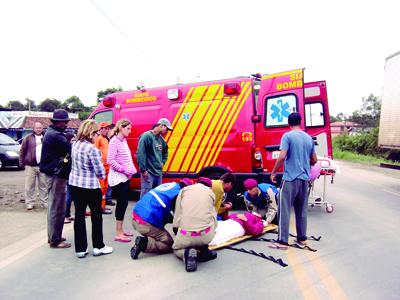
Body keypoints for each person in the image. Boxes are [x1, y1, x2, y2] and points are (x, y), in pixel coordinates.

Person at [270, 112, 318, 249]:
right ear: (300, 122)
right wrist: (304, 163)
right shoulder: (309, 138)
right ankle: (302, 239)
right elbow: (314, 160)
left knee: (284, 209)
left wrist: (273, 172)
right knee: (301, 210)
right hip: (304, 179)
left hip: (290, 178)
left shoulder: (287, 136)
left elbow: (282, 156)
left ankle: (282, 241)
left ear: (288, 123)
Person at [69, 120, 113, 258]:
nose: (97, 136)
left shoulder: (75, 144)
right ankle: (98, 246)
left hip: (75, 184)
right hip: (91, 186)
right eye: (96, 133)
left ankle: (81, 249)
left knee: (79, 216)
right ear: (91, 133)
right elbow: (100, 172)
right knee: (96, 216)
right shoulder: (93, 150)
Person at [130, 178, 193, 260]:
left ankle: (149, 238)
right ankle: (144, 244)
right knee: (169, 244)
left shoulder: (170, 185)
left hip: (136, 215)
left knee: (161, 228)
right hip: (146, 222)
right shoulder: (178, 195)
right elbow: (177, 218)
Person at [40, 109, 72, 248]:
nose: (65, 124)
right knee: (57, 208)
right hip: (56, 175)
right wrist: (69, 139)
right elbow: (69, 148)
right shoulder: (56, 136)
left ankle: (53, 236)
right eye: (63, 122)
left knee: (55, 207)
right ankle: (55, 240)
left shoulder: (53, 133)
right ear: (57, 123)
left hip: (54, 174)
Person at [172, 177, 217, 272]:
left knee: (175, 249)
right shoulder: (211, 193)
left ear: (196, 182)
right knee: (212, 215)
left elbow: (178, 212)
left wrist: (176, 229)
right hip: (205, 235)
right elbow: (212, 215)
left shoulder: (184, 190)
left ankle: (186, 253)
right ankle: (204, 251)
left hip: (186, 235)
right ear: (210, 187)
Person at [107, 119, 137, 243]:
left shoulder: (123, 141)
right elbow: (110, 160)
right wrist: (124, 170)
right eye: (128, 128)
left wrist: (131, 170)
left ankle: (121, 230)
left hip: (124, 177)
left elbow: (127, 158)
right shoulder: (114, 141)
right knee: (121, 204)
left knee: (123, 204)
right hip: (118, 179)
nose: (130, 131)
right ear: (120, 127)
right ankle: (118, 233)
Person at [137, 118, 173, 197]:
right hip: (148, 172)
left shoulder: (161, 140)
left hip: (158, 173)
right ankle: (144, 209)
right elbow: (141, 153)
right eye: (166, 129)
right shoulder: (146, 136)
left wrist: (162, 163)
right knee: (146, 195)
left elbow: (165, 152)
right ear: (161, 125)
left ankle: (153, 210)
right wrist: (143, 170)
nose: (167, 132)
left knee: (156, 196)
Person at [19, 122, 48, 210]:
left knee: (44, 186)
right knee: (29, 186)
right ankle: (30, 203)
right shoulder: (27, 138)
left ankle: (45, 202)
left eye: (40, 128)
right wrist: (21, 162)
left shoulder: (46, 137)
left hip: (43, 166)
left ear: (42, 128)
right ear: (33, 128)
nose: (39, 129)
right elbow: (22, 150)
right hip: (30, 166)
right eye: (37, 128)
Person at [94, 121, 112, 215]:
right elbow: (95, 152)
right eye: (105, 128)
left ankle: (103, 206)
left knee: (105, 188)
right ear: (100, 129)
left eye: (107, 128)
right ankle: (99, 206)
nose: (107, 130)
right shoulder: (99, 139)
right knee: (101, 188)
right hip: (102, 167)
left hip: (107, 167)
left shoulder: (105, 139)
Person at [64, 132, 76, 224]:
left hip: (72, 175)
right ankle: (65, 215)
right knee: (68, 196)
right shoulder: (68, 150)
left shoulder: (71, 149)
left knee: (71, 196)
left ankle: (67, 214)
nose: (74, 142)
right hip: (69, 175)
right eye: (72, 140)